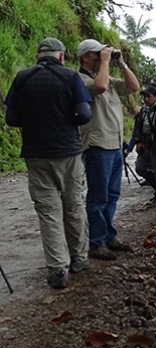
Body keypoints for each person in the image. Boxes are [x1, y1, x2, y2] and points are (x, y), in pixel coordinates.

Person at [4, 38, 92, 288]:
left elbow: (11, 119)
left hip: (36, 154)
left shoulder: (22, 77)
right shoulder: (71, 77)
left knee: (49, 212)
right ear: (62, 56)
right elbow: (84, 114)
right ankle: (79, 258)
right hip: (68, 154)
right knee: (73, 205)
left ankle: (58, 268)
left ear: (37, 56)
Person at [77, 38, 140, 260]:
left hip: (114, 145)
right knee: (98, 196)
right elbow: (100, 86)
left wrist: (121, 64)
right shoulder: (80, 80)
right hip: (97, 146)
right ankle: (96, 242)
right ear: (85, 57)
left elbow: (134, 87)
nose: (101, 57)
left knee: (112, 194)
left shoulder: (108, 78)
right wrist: (105, 61)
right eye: (97, 54)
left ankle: (108, 236)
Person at [126, 86, 156, 207]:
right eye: (144, 97)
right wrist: (131, 146)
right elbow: (136, 130)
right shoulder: (143, 110)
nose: (146, 99)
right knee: (140, 168)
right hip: (145, 144)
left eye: (148, 96)